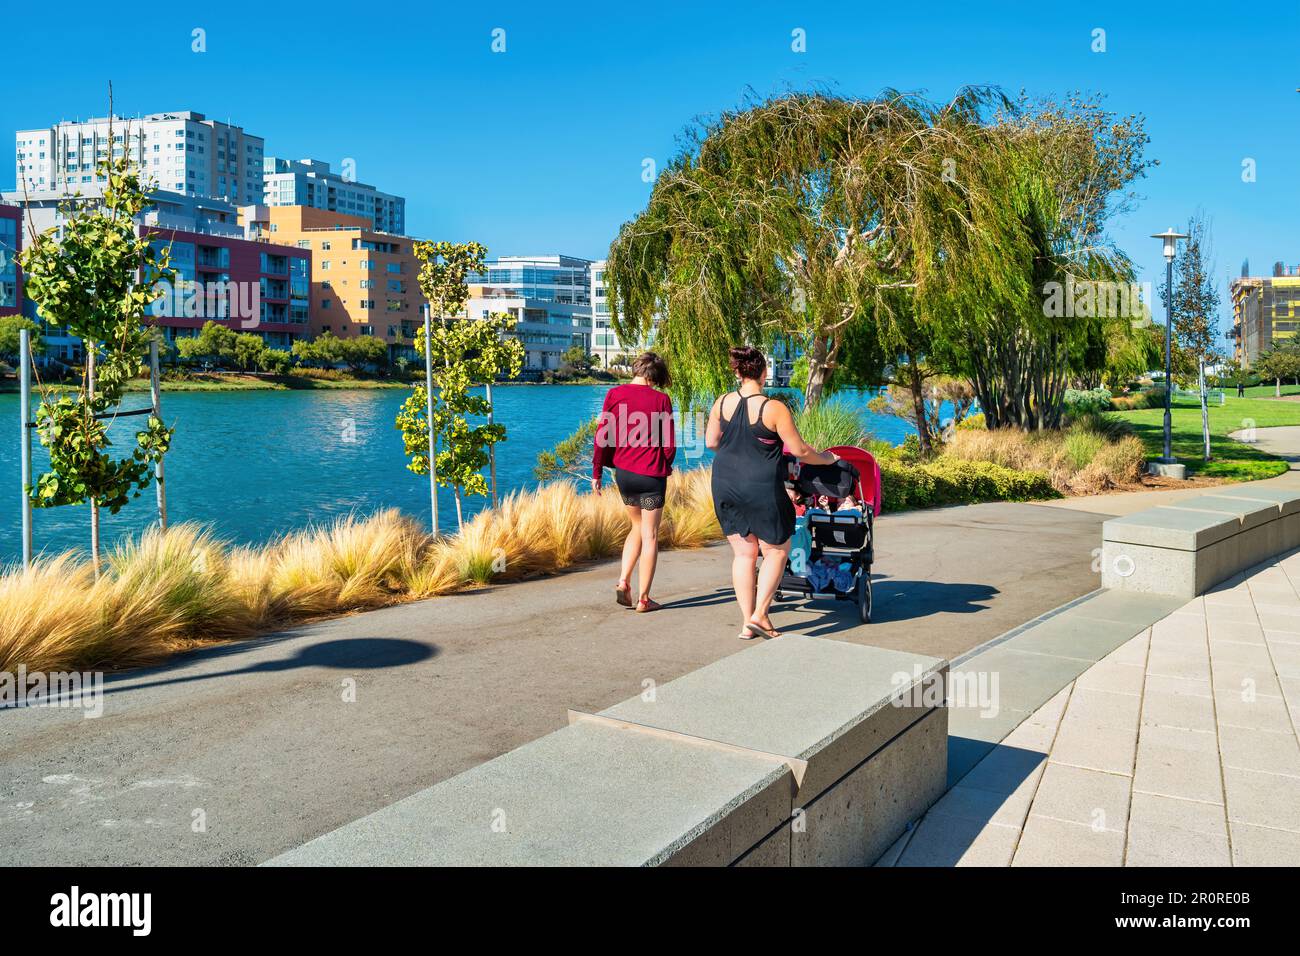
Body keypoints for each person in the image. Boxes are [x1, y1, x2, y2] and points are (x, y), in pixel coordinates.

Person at [706, 346, 838, 639]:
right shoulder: (774, 408)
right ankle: (760, 615)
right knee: (776, 550)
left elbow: (711, 441)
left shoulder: (721, 403)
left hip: (725, 482)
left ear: (738, 372)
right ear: (764, 373)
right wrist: (828, 458)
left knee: (743, 554)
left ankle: (746, 623)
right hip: (761, 485)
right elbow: (801, 451)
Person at [592, 352, 676, 612]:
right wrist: (665, 464)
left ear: (637, 370)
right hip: (651, 474)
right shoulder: (662, 400)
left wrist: (597, 471)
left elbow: (602, 435)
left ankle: (623, 580)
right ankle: (644, 599)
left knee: (636, 527)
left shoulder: (614, 394)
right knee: (650, 535)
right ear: (656, 376)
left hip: (625, 474)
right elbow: (669, 444)